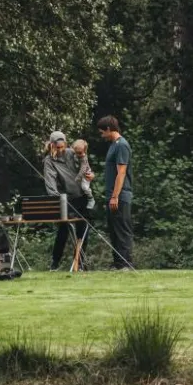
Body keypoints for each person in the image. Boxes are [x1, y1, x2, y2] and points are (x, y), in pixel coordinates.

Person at [42, 130, 91, 271]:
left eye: (62, 146)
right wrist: (59, 200)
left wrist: (90, 175)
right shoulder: (49, 161)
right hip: (64, 199)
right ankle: (55, 263)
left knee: (82, 230)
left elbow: (85, 165)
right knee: (63, 230)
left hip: (81, 196)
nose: (60, 149)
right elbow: (50, 184)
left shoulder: (72, 153)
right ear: (51, 145)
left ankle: (80, 263)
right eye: (57, 147)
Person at [97, 115, 134, 270]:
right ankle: (118, 263)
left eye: (102, 132)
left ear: (108, 129)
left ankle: (126, 264)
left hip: (120, 196)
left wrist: (115, 196)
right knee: (114, 231)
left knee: (122, 230)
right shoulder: (113, 145)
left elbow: (122, 172)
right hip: (111, 196)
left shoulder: (122, 145)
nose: (101, 136)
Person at [71, 139, 96, 210]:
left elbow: (83, 169)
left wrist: (78, 177)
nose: (78, 155)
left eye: (80, 153)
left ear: (85, 151)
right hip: (78, 172)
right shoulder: (74, 153)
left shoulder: (84, 158)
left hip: (85, 173)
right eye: (76, 152)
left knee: (84, 187)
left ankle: (91, 199)